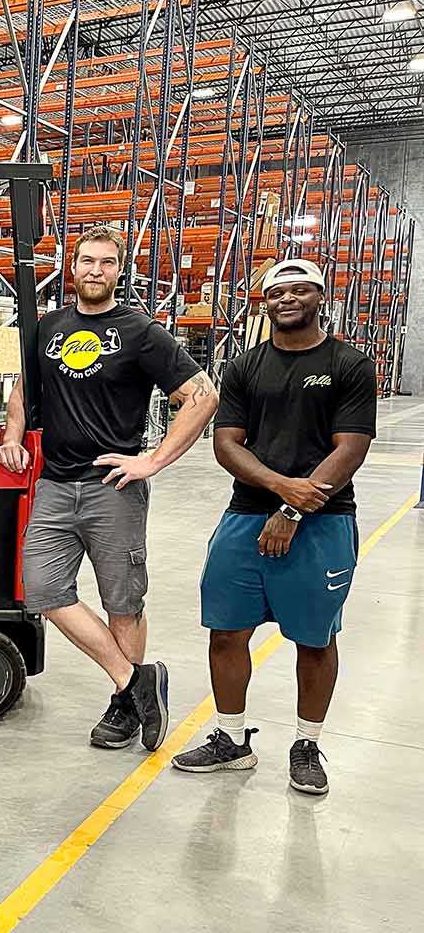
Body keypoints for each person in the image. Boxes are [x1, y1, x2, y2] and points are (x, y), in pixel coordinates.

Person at [0, 225, 218, 753]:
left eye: (106, 263)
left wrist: (153, 460)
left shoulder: (140, 332)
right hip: (54, 483)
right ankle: (135, 680)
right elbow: (27, 387)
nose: (95, 271)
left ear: (120, 271)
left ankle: (122, 707)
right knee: (45, 590)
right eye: (87, 261)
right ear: (72, 267)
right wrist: (11, 434)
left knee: (123, 601)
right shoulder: (46, 326)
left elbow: (203, 395)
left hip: (112, 488)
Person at [172, 259, 376, 796]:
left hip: (324, 520)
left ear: (319, 296)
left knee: (314, 639)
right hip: (245, 516)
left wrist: (293, 511)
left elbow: (350, 448)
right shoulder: (242, 368)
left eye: (299, 289)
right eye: (276, 291)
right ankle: (231, 739)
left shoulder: (349, 364)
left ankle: (307, 744)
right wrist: (282, 489)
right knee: (227, 630)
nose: (286, 298)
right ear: (264, 302)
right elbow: (226, 443)